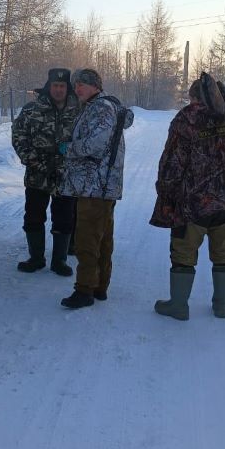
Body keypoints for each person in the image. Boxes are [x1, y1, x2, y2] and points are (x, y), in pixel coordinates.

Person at [149, 72, 225, 320]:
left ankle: (179, 306)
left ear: (195, 98)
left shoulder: (187, 118)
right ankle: (222, 307)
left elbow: (172, 162)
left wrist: (166, 192)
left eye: (191, 98)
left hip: (193, 204)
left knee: (183, 252)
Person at [59, 68, 134, 309]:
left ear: (95, 86)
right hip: (99, 186)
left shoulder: (100, 107)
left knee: (87, 240)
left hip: (95, 185)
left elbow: (96, 144)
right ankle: (99, 286)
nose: (77, 88)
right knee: (102, 238)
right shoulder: (98, 106)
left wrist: (68, 148)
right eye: (76, 84)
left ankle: (84, 290)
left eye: (82, 84)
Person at [11, 68, 80, 276]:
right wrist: (32, 160)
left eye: (62, 86)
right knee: (33, 217)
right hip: (37, 175)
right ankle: (36, 258)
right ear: (48, 86)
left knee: (64, 219)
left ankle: (59, 261)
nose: (58, 90)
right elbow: (18, 136)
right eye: (54, 86)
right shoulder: (32, 109)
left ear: (67, 88)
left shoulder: (79, 110)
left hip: (65, 176)